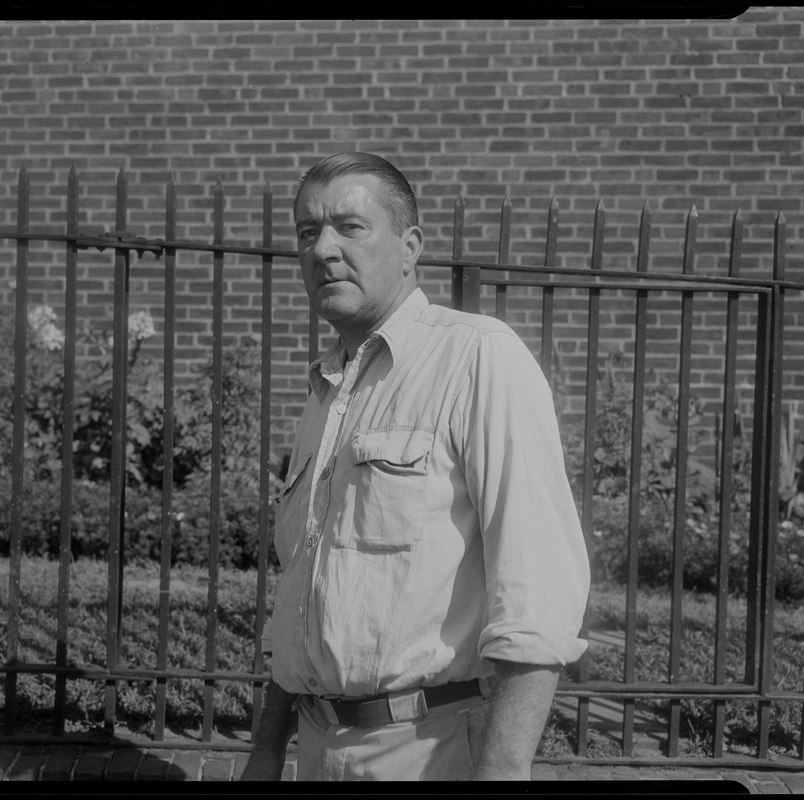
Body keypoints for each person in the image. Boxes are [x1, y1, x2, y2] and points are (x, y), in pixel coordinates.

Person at [240, 152, 590, 782]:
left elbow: (537, 592)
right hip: (319, 752)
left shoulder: (477, 359)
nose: (322, 250)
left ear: (410, 248)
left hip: (432, 753)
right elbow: (301, 594)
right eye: (306, 232)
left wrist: (504, 768)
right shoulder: (326, 391)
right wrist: (266, 752)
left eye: (350, 227)